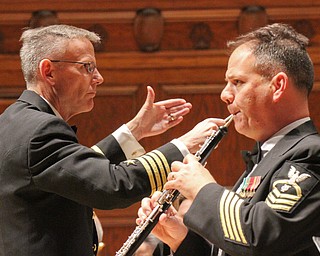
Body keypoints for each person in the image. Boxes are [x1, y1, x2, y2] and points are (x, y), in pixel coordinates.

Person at [0, 24, 219, 256]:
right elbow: (112, 186)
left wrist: (134, 131)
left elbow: (77, 172)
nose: (99, 78)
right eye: (88, 67)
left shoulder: (16, 121)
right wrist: (184, 146)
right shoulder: (40, 130)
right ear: (49, 72)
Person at [137, 23, 320, 256]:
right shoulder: (266, 157)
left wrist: (202, 187)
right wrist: (182, 239)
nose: (225, 95)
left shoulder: (311, 154)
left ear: (278, 86)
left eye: (238, 82)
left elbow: (261, 237)